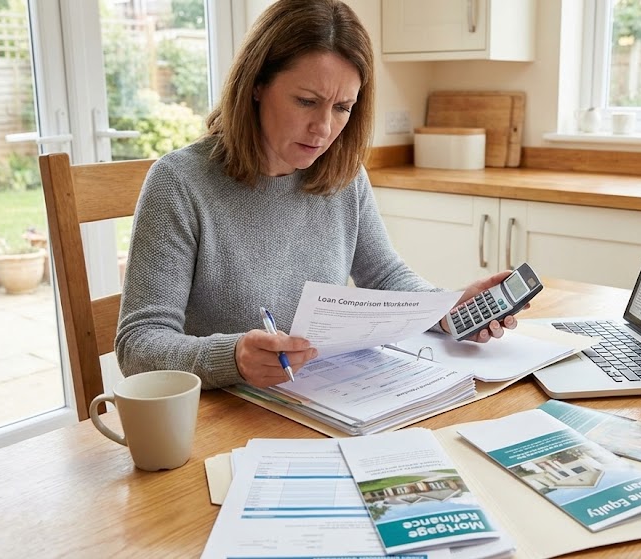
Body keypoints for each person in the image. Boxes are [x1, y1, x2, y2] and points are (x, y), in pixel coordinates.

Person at [115, 0, 522, 391]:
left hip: (326, 398)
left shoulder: (344, 175)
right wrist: (233, 356)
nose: (324, 128)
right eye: (306, 101)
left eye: (343, 107)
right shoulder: (179, 183)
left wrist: (446, 308)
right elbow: (139, 344)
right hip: (223, 411)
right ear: (257, 85)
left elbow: (384, 276)